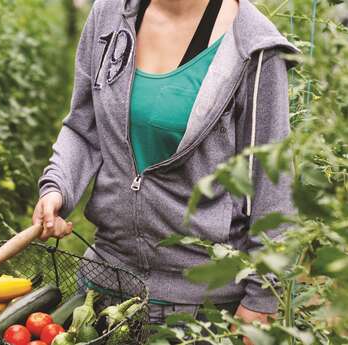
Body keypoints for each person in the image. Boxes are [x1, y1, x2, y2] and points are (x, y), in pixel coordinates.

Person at [32, 0, 299, 337]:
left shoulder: (254, 47)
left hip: (199, 313)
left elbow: (273, 184)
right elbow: (84, 129)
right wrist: (57, 186)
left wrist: (262, 298)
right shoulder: (110, 15)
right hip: (101, 290)